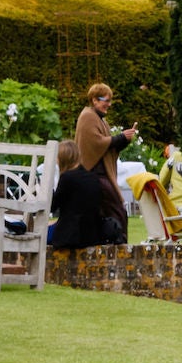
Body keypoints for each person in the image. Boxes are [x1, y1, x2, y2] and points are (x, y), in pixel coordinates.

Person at [75, 84, 136, 240]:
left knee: (106, 213)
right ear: (95, 100)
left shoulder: (100, 119)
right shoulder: (88, 116)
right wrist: (120, 137)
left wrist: (124, 140)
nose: (109, 104)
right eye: (106, 100)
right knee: (118, 210)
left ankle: (111, 243)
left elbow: (108, 147)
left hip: (99, 175)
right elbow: (96, 143)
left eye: (110, 101)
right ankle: (121, 243)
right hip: (94, 175)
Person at [46, 140, 113, 250]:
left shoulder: (67, 178)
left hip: (72, 236)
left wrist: (49, 192)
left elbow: (53, 206)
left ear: (62, 158)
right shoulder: (93, 177)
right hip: (92, 235)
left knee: (39, 233)